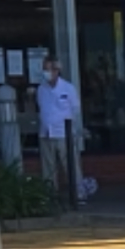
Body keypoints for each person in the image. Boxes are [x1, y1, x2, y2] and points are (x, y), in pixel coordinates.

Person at [36, 57, 83, 204]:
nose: (46, 72)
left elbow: (75, 109)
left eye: (48, 69)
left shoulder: (68, 88)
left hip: (63, 133)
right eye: (44, 69)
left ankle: (78, 195)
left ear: (56, 70)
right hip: (46, 133)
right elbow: (41, 107)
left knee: (70, 165)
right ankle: (50, 195)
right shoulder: (41, 89)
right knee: (48, 167)